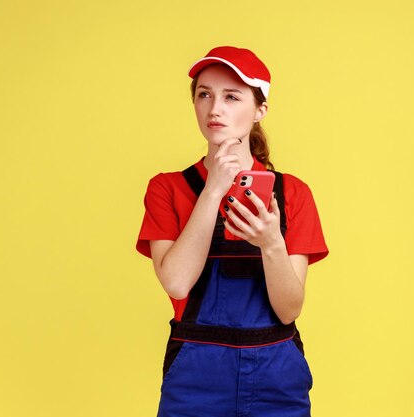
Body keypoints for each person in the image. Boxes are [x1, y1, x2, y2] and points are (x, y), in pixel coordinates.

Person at [136, 46, 329, 417]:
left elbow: (289, 310)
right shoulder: (167, 189)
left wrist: (272, 242)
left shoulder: (292, 195)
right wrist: (212, 190)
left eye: (232, 96)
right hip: (196, 380)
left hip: (277, 377)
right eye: (204, 94)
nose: (215, 109)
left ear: (260, 110)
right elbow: (176, 283)